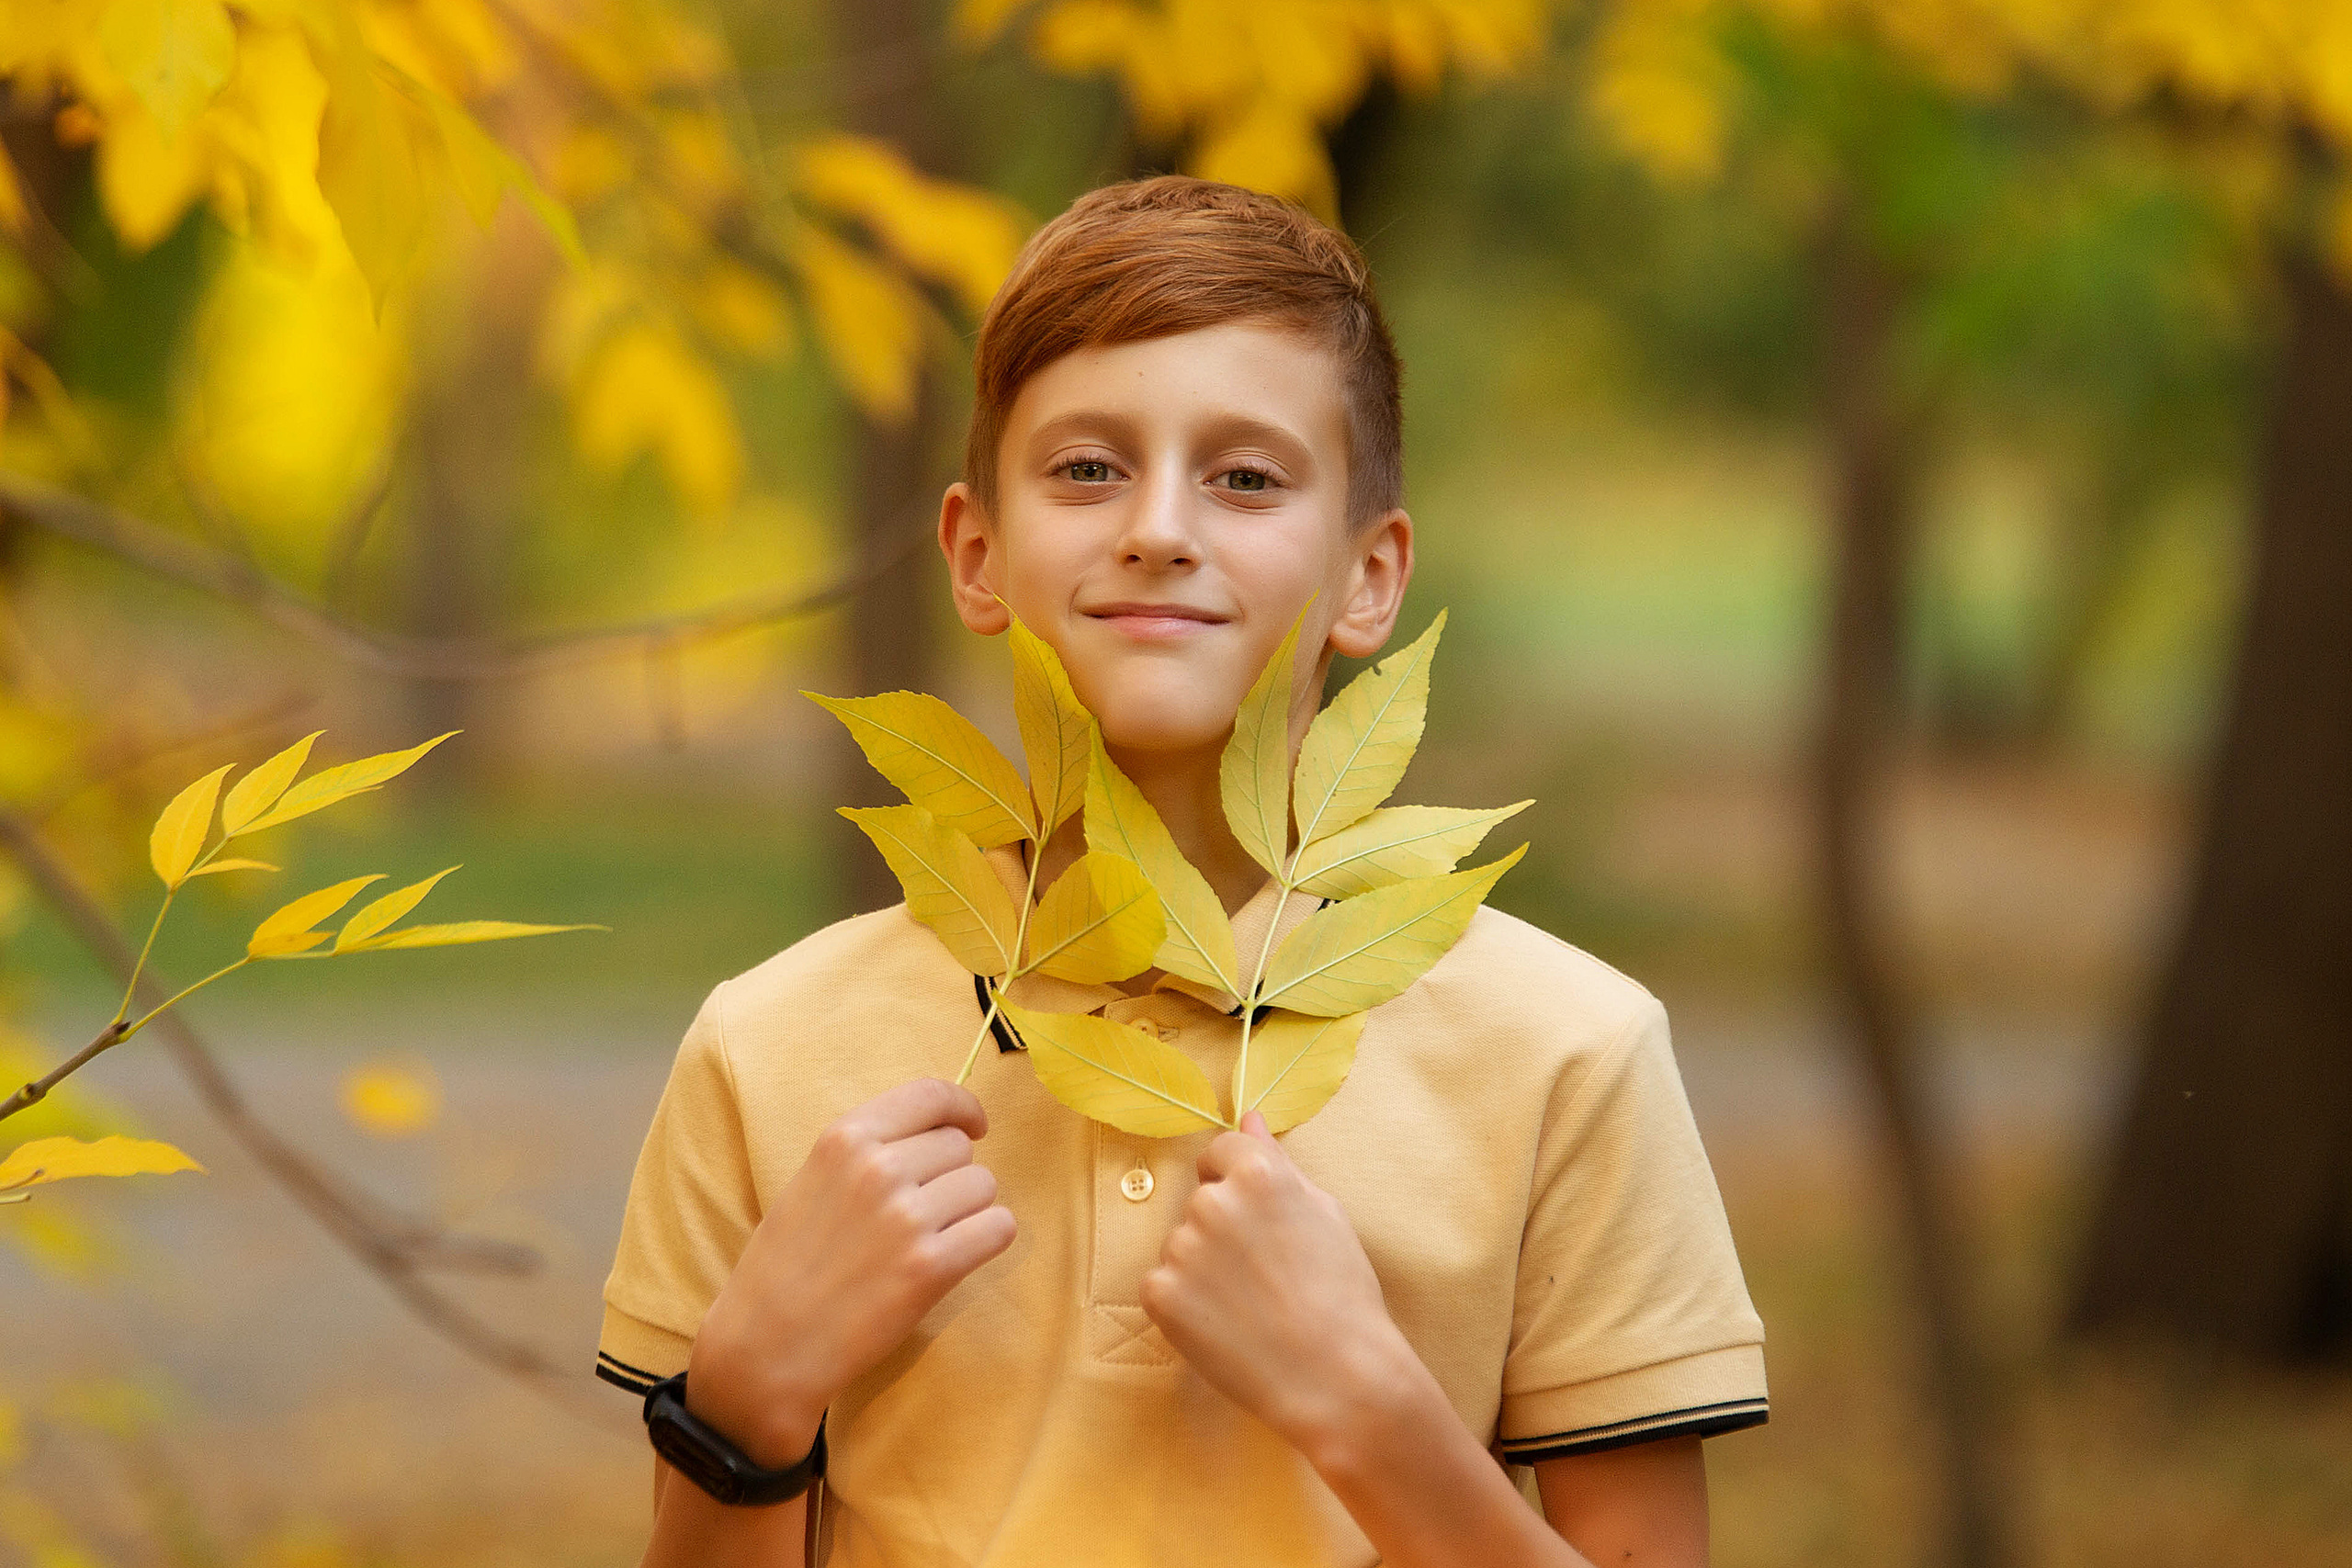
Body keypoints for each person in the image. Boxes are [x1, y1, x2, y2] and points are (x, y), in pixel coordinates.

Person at [599, 176, 1767, 1568]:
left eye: (1247, 477)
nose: (1159, 525)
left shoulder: (1568, 1055)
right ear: (977, 555)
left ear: (1368, 579)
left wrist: (1367, 1405)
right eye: (1088, 468)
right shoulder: (769, 1049)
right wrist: (747, 1396)